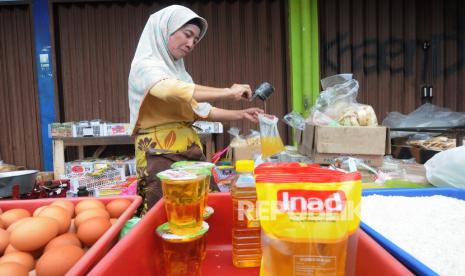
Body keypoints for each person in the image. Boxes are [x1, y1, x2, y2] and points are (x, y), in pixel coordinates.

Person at [128, 5, 264, 214]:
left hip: (189, 150)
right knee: (166, 216)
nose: (191, 44)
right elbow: (169, 90)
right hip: (158, 154)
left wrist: (241, 114)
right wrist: (228, 92)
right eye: (187, 34)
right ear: (166, 29)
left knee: (204, 209)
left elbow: (203, 109)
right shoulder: (145, 66)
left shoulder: (179, 73)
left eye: (195, 40)